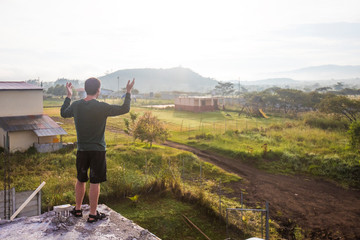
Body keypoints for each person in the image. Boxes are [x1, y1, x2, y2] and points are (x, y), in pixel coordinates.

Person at [60, 77, 135, 223]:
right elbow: (125, 108)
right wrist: (128, 92)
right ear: (98, 90)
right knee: (95, 181)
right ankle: (93, 214)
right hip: (98, 150)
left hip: (82, 149)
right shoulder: (102, 107)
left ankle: (77, 209)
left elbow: (63, 113)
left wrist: (69, 96)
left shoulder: (76, 105)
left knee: (80, 179)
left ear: (86, 89)